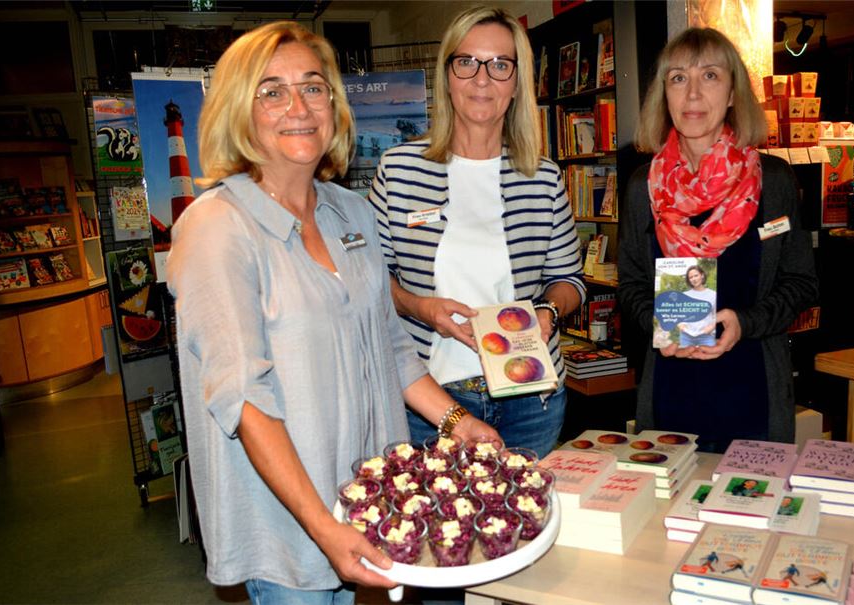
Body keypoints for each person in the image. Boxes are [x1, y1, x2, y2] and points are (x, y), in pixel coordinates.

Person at [167, 22, 497, 604]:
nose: (298, 107)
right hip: (292, 529)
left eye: (313, 88)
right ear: (238, 112)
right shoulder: (218, 228)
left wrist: (456, 423)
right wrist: (324, 528)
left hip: (371, 504)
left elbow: (390, 346)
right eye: (271, 91)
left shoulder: (351, 213)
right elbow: (242, 396)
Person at [368, 7, 585, 458]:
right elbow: (369, 279)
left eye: (499, 65)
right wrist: (420, 307)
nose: (482, 79)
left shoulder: (541, 176)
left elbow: (570, 281)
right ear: (447, 75)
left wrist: (547, 311)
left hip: (531, 396)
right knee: (438, 527)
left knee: (526, 523)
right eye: (466, 62)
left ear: (517, 82)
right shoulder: (401, 168)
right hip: (429, 401)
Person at [617, 27, 819, 453]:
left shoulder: (775, 181)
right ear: (664, 95)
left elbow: (802, 283)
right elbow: (631, 284)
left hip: (753, 393)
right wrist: (657, 325)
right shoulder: (643, 187)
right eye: (678, 78)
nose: (692, 94)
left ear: (732, 94)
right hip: (670, 394)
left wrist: (744, 323)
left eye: (709, 76)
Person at [676, 264, 717, 347]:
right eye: (691, 277)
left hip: (706, 336)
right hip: (686, 337)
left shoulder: (713, 295)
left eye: (696, 275)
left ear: (702, 275)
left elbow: (716, 316)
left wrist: (711, 327)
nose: (694, 279)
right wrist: (681, 325)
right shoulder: (684, 295)